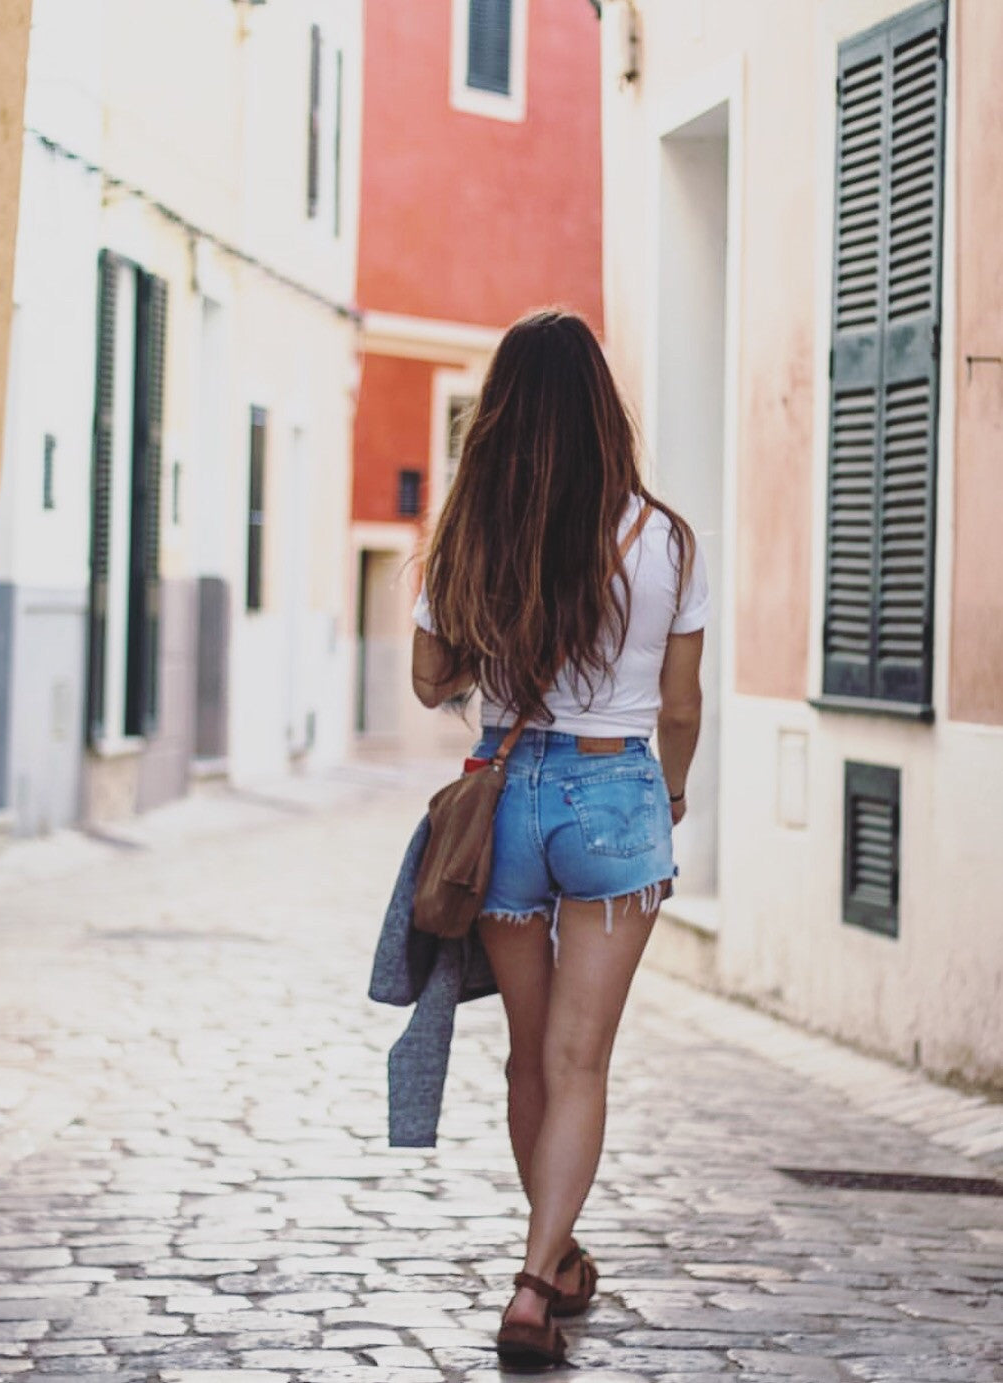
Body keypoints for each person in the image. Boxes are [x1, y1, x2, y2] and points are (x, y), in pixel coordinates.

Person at [410, 308, 707, 1369]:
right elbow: (679, 707)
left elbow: (429, 680)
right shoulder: (662, 537)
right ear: (598, 407)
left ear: (498, 416)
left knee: (531, 1058)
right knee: (582, 1059)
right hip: (615, 787)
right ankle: (537, 1284)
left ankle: (555, 1256)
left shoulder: (471, 537)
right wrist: (666, 797)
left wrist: (492, 630)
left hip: (507, 796)